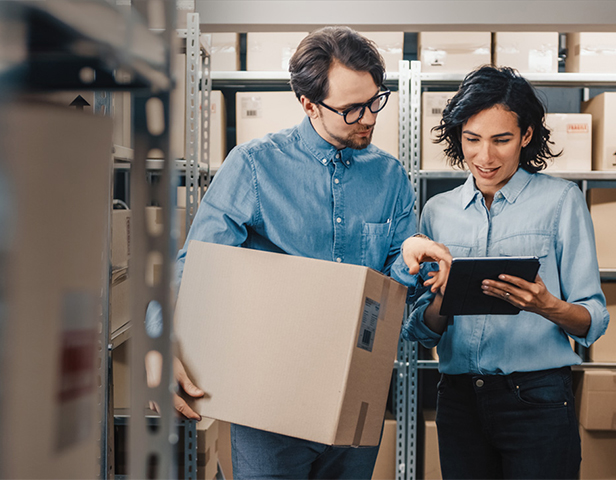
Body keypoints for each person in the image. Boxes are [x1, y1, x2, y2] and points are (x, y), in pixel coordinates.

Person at [170, 26, 451, 480]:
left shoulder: (390, 178)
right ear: (308, 104)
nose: (369, 118)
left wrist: (410, 261)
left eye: (375, 100)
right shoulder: (255, 165)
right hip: (268, 396)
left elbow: (391, 294)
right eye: (351, 109)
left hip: (356, 391)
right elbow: (196, 267)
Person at [402, 65, 610, 479]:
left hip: (537, 397)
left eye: (501, 140)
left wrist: (547, 306)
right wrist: (444, 297)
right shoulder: (437, 211)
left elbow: (594, 320)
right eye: (472, 140)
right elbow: (421, 332)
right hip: (459, 400)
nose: (485, 157)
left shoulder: (561, 201)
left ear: (526, 136)